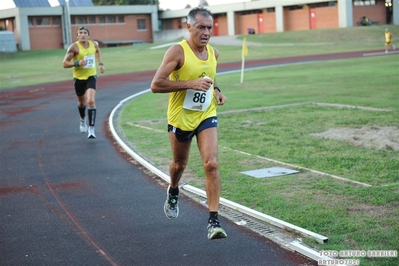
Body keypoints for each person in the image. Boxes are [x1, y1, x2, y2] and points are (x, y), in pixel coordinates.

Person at [150, 7, 228, 240]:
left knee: (211, 164)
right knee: (179, 164)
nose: (206, 32)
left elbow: (209, 77)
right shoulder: (177, 52)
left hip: (205, 115)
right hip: (180, 118)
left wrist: (216, 91)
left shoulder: (213, 53)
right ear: (189, 27)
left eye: (209, 28)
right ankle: (173, 190)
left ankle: (213, 221)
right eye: (201, 27)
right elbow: (156, 84)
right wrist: (190, 84)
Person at [62, 26, 105, 139]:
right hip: (79, 78)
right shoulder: (74, 47)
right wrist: (77, 63)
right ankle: (82, 120)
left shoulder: (94, 44)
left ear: (88, 35)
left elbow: (97, 52)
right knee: (82, 103)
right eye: (80, 33)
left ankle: (91, 129)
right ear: (77, 36)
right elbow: (64, 63)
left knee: (91, 100)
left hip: (91, 75)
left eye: (85, 32)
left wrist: (100, 64)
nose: (83, 34)